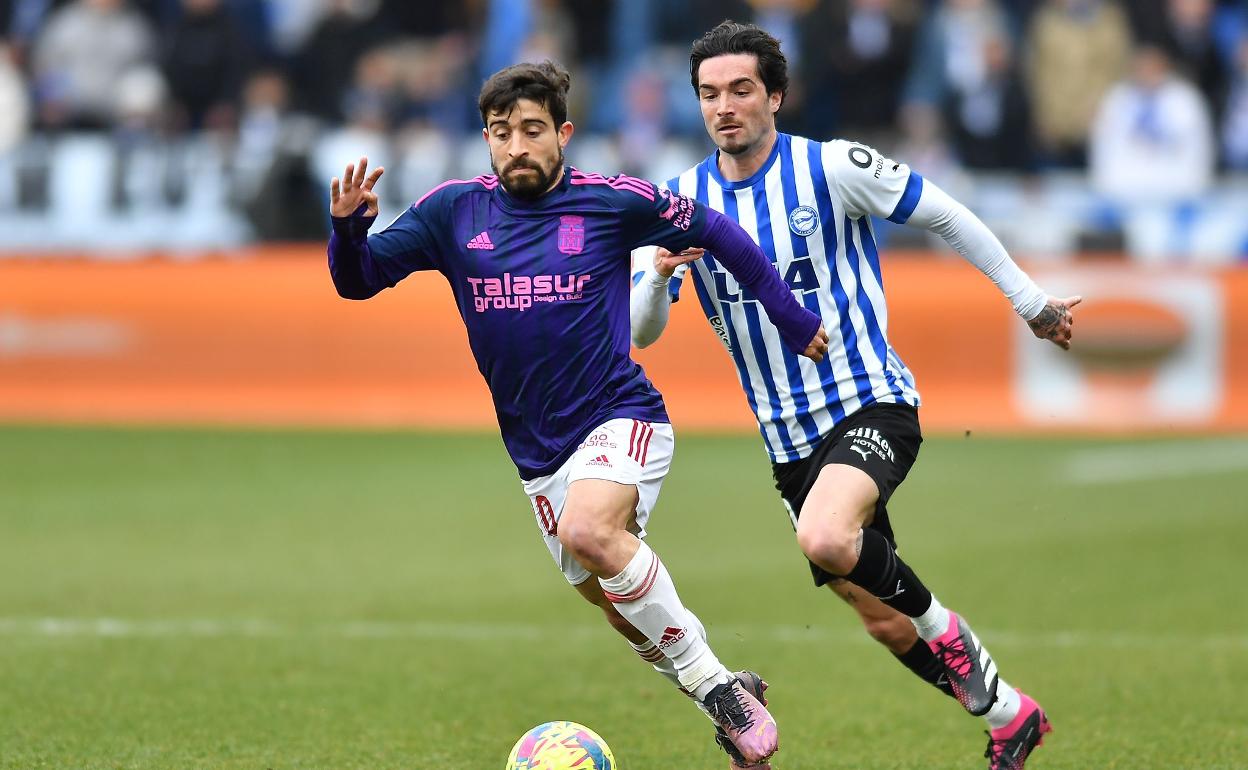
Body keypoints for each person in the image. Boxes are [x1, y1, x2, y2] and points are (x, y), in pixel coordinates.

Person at [326, 60, 830, 766]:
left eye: (532, 130)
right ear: (486, 138)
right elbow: (358, 281)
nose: (517, 146)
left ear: (563, 134)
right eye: (501, 132)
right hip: (537, 453)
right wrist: (348, 233)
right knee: (619, 608)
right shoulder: (452, 212)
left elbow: (715, 228)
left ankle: (719, 692)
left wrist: (789, 315)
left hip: (620, 414)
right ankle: (723, 687)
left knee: (590, 531)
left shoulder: (610, 202)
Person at [631, 22, 1080, 770]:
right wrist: (656, 277)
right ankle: (1011, 716)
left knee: (826, 537)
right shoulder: (678, 200)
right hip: (788, 441)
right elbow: (643, 333)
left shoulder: (831, 167)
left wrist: (1029, 301)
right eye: (709, 95)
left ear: (776, 95)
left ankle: (949, 633)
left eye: (741, 90)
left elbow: (945, 212)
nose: (724, 108)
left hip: (868, 400)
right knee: (882, 621)